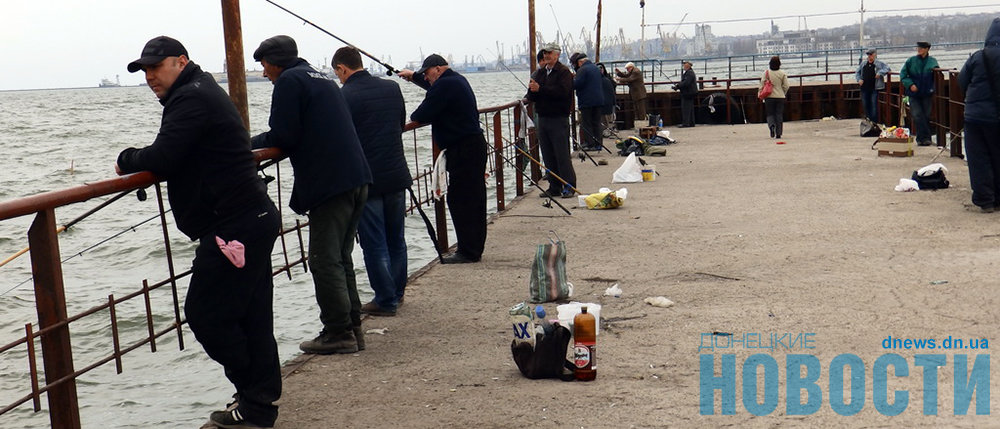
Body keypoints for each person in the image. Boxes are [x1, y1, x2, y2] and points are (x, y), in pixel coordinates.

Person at [116, 36, 281, 429]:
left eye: (157, 67)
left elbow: (164, 156)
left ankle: (255, 396)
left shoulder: (190, 98)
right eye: (145, 71)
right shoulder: (199, 89)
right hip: (250, 217)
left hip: (235, 225)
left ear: (181, 61)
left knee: (206, 316)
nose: (151, 77)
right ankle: (258, 403)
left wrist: (127, 160)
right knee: (252, 316)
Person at [250, 35, 372, 354]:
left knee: (322, 259)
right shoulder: (320, 76)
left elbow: (284, 135)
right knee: (341, 256)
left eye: (264, 65)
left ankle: (338, 332)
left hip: (330, 183)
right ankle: (353, 327)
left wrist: (243, 144)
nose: (264, 73)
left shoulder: (289, 81)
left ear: (276, 62)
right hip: (357, 176)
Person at [332, 46, 412, 316]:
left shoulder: (344, 96)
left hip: (368, 178)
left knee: (374, 243)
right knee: (396, 239)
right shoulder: (391, 88)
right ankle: (398, 294)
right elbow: (400, 122)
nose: (339, 79)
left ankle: (385, 300)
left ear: (342, 68)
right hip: (396, 173)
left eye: (338, 74)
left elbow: (342, 138)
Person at [398, 54, 487, 264]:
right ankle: (473, 248)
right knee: (474, 198)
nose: (426, 78)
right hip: (472, 145)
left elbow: (421, 114)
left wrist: (410, 115)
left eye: (427, 74)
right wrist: (413, 77)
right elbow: (436, 91)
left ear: (437, 69)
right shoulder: (455, 80)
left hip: (463, 149)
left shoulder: (444, 86)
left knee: (461, 200)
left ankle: (468, 252)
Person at [959, 18, 1000, 213]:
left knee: (978, 159)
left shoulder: (977, 57)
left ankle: (985, 200)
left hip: (975, 117)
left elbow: (962, 81)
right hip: (997, 117)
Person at [525, 43, 576, 198]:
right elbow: (532, 95)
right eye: (545, 53)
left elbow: (563, 92)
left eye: (549, 53)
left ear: (557, 55)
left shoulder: (564, 72)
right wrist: (531, 91)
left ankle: (568, 186)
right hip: (543, 118)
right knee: (547, 154)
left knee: (562, 155)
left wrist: (541, 89)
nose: (546, 55)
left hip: (558, 118)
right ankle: (554, 187)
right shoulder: (540, 73)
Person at [899, 41, 940, 146]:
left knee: (926, 115)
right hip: (914, 93)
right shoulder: (911, 61)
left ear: (927, 49)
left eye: (921, 48)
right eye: (918, 48)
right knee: (917, 115)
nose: (919, 50)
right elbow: (903, 74)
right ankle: (924, 138)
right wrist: (910, 84)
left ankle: (923, 138)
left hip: (927, 93)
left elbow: (937, 75)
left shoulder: (932, 61)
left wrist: (933, 88)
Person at [571, 52, 604, 151]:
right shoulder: (595, 68)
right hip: (598, 100)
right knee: (597, 122)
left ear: (580, 62)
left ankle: (590, 143)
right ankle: (598, 144)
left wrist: (571, 80)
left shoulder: (582, 69)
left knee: (587, 123)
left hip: (587, 101)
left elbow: (577, 84)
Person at [855, 48, 891, 124]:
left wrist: (880, 73)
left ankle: (874, 122)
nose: (869, 56)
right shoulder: (863, 63)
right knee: (865, 105)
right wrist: (859, 80)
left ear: (875, 55)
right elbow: (857, 72)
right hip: (864, 88)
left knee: (874, 105)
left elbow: (887, 68)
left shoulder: (879, 63)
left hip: (874, 88)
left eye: (871, 54)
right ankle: (868, 121)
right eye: (868, 54)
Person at [760, 56, 791, 139]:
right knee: (779, 114)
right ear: (779, 64)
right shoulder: (782, 73)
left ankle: (772, 126)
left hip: (769, 97)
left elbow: (762, 84)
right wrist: (782, 92)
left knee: (770, 114)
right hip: (780, 97)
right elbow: (786, 86)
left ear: (770, 63)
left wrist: (760, 94)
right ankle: (778, 133)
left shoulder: (766, 73)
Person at [615, 62, 648, 127]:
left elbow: (630, 79)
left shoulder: (636, 71)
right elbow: (626, 76)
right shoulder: (632, 71)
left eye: (627, 69)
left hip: (639, 93)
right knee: (637, 109)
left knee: (641, 110)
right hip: (636, 94)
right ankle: (639, 122)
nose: (627, 70)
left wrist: (619, 79)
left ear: (631, 67)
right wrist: (619, 73)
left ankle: (642, 123)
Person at [673, 60, 698, 127]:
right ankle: (691, 123)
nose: (683, 66)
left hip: (688, 93)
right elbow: (685, 82)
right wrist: (678, 86)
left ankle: (686, 123)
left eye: (684, 65)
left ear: (688, 66)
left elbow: (686, 83)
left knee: (686, 108)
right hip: (690, 93)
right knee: (690, 109)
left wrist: (678, 86)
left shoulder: (689, 73)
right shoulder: (689, 73)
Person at [596, 63, 617, 133]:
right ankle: (607, 130)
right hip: (607, 102)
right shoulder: (607, 79)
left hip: (603, 102)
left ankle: (605, 131)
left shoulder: (600, 80)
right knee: (606, 119)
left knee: (604, 119)